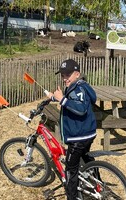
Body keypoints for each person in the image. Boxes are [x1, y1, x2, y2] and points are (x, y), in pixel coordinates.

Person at [47, 59, 97, 200]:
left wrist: (62, 99)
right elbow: (73, 102)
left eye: (67, 75)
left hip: (78, 136)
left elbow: (80, 109)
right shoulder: (79, 86)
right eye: (62, 75)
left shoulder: (78, 89)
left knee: (70, 169)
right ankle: (96, 182)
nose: (64, 79)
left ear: (77, 74)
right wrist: (55, 98)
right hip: (87, 132)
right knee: (86, 157)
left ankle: (72, 197)